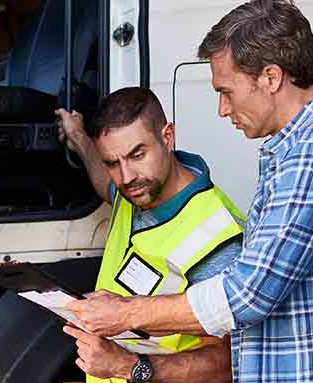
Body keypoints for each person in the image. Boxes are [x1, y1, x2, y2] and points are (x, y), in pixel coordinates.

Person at [63, 1, 313, 382]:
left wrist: (125, 314)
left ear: (271, 77)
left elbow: (247, 295)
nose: (222, 109)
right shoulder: (312, 142)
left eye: (226, 91)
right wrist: (80, 139)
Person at [53, 87, 240, 383]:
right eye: (113, 162)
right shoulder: (132, 193)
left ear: (168, 137)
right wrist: (79, 137)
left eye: (137, 154)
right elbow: (105, 183)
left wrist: (127, 366)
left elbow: (227, 364)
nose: (127, 177)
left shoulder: (217, 239)